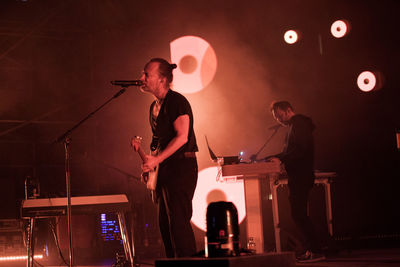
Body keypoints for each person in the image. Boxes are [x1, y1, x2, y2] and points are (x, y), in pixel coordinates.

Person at [138, 58, 198, 258]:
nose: (142, 78)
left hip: (181, 167)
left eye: (147, 74)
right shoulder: (153, 108)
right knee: (165, 224)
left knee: (178, 222)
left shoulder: (177, 102)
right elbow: (158, 143)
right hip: (164, 170)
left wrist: (157, 160)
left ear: (162, 79)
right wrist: (150, 167)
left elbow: (182, 137)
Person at [268, 101, 325, 263]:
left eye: (279, 115)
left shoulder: (299, 124)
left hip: (301, 175)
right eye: (276, 117)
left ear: (288, 110)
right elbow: (292, 151)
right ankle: (312, 249)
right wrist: (276, 157)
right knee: (299, 214)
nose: (278, 119)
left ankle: (316, 250)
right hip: (298, 175)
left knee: (299, 214)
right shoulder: (296, 125)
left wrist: (281, 158)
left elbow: (300, 149)